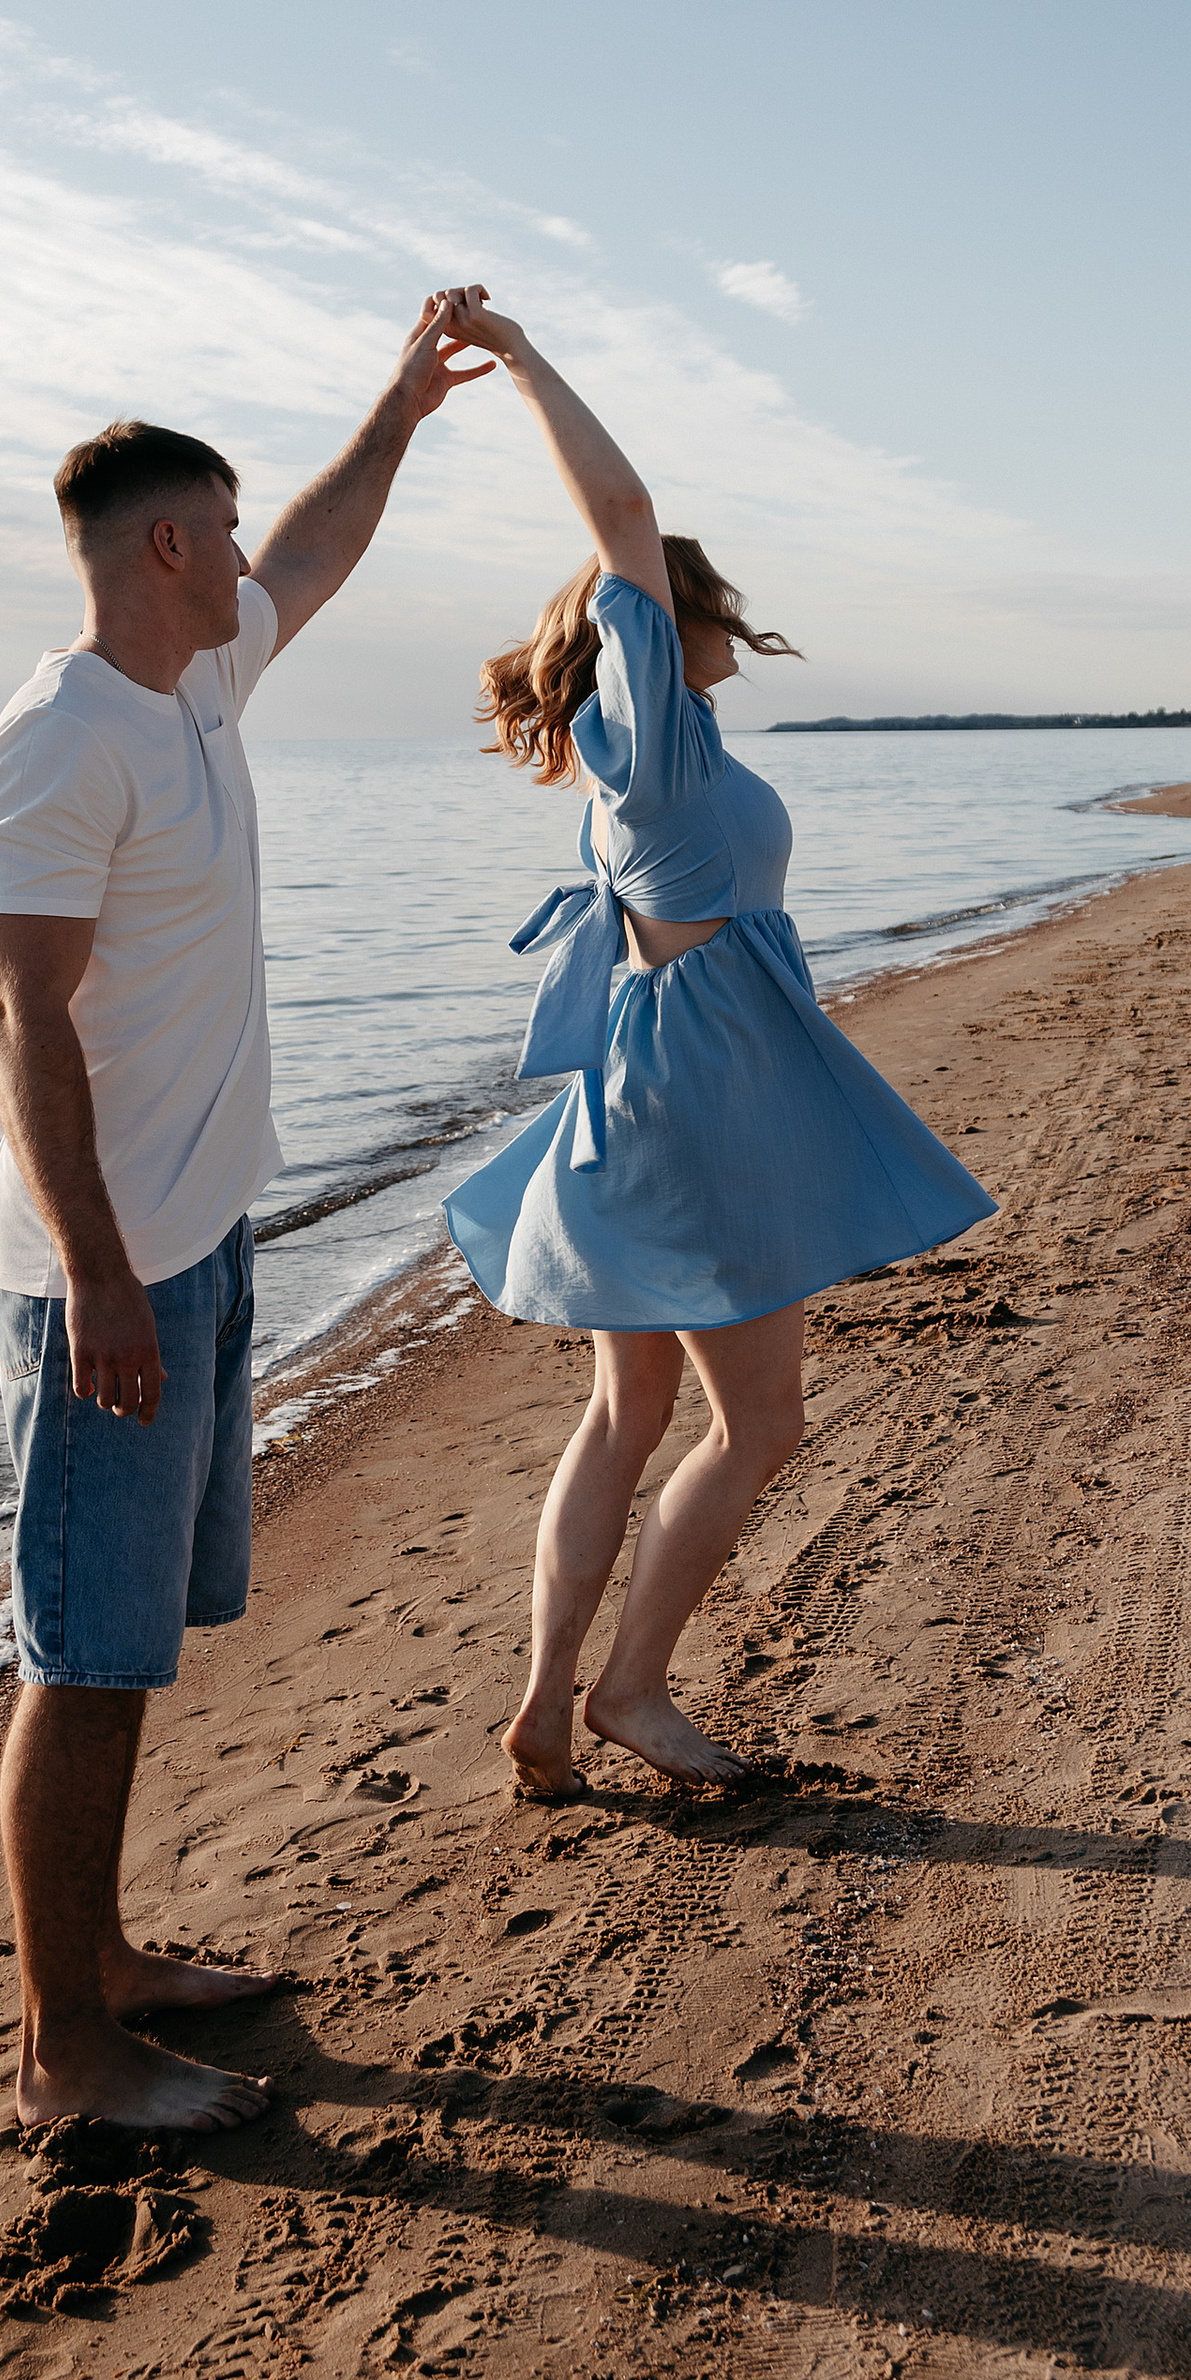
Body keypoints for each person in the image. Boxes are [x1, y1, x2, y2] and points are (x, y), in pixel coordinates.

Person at [0, 296, 492, 2133]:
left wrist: (405, 404)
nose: (258, 551)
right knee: (84, 1653)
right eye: (233, 524)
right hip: (104, 1275)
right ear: (171, 544)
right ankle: (66, 2055)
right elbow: (20, 1008)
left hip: (196, 1242)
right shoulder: (58, 743)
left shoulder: (196, 678)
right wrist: (99, 1274)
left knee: (130, 1643)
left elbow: (329, 544)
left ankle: (100, 1967)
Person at [438, 292, 995, 1796]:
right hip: (700, 1097)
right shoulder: (663, 740)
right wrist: (525, 358)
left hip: (651, 1085)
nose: (735, 614)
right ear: (657, 623)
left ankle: (551, 1706)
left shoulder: (651, 763)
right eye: (711, 599)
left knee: (627, 1412)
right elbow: (622, 509)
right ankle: (631, 1689)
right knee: (760, 1421)